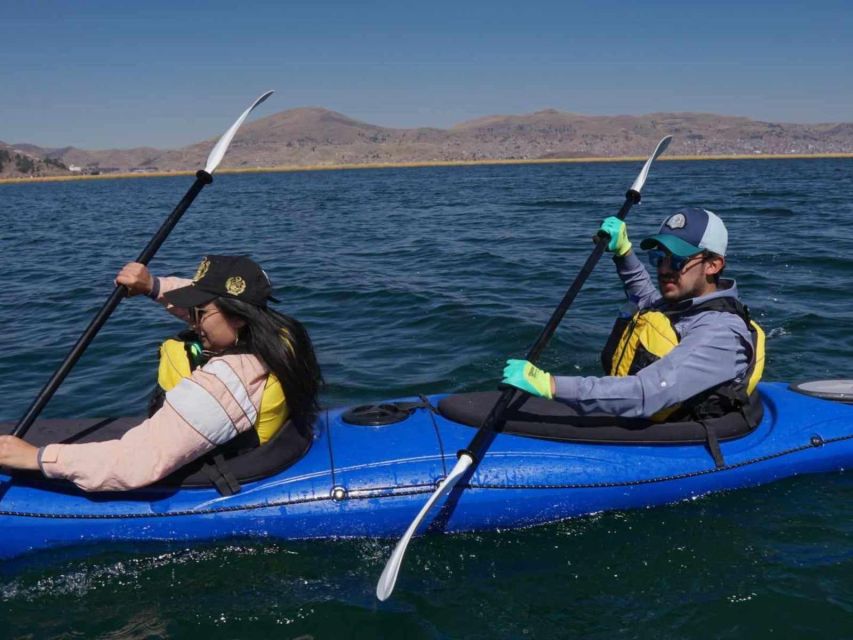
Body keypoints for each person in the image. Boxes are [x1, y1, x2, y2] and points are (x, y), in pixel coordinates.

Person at [0, 255, 322, 491]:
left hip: (225, 459)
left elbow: (134, 462)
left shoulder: (227, 384)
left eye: (200, 313)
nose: (193, 322)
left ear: (239, 316)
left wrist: (36, 458)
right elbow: (207, 303)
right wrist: (152, 286)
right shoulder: (276, 332)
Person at [501, 208, 765, 460]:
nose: (663, 269)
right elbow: (644, 296)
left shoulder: (719, 333)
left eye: (676, 260)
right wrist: (623, 252)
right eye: (658, 258)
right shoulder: (682, 304)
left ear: (713, 265)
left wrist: (551, 385)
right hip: (642, 414)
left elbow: (646, 394)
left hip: (676, 436)